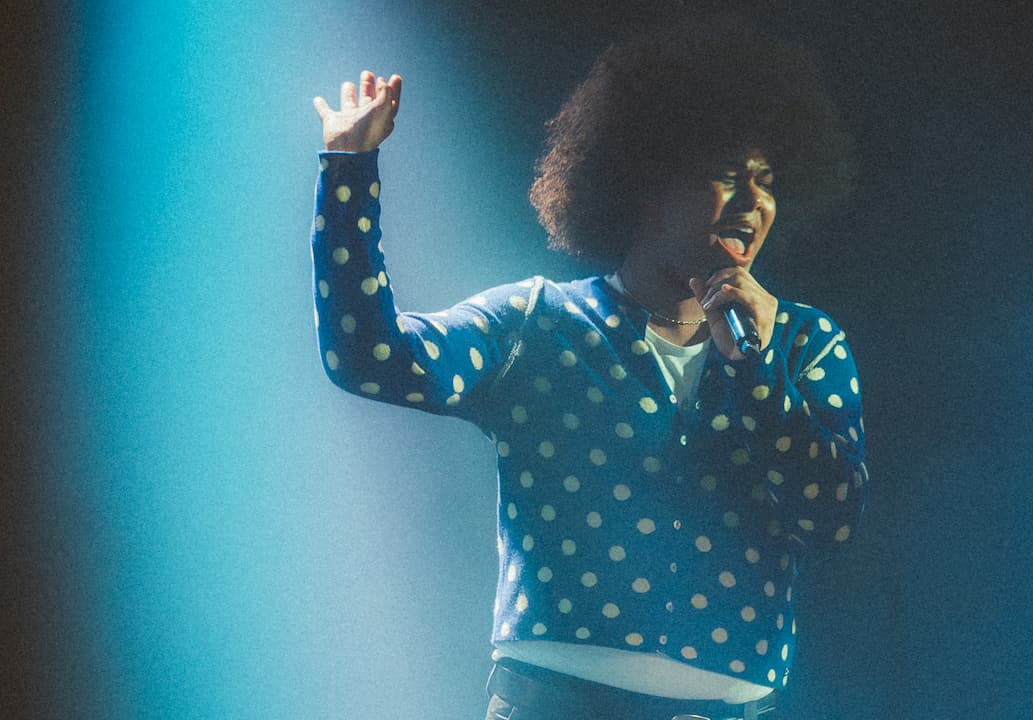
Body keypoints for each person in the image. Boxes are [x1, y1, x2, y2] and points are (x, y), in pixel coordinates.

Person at [310, 20, 868, 720]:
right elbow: (370, 358)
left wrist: (755, 372)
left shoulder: (803, 343)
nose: (754, 203)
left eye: (767, 181)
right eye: (728, 175)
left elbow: (831, 519)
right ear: (648, 181)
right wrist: (348, 173)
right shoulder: (535, 323)